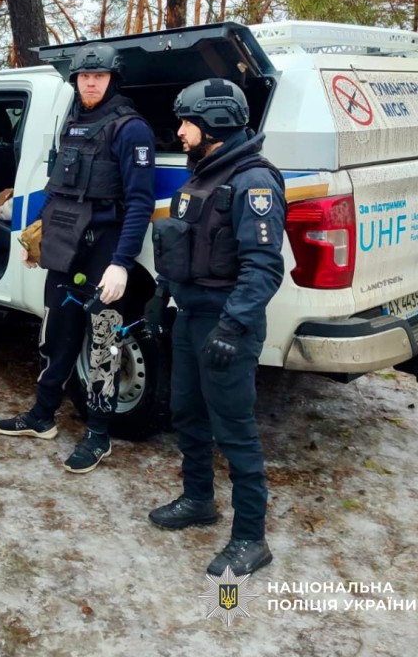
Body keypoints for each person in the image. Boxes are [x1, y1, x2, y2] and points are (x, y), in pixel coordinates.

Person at [0, 43, 156, 474]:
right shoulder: (75, 122)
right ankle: (42, 416)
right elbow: (58, 190)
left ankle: (98, 436)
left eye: (98, 76)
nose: (89, 82)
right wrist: (38, 239)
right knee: (57, 334)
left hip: (105, 249)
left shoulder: (130, 129)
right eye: (84, 77)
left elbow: (139, 203)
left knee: (103, 343)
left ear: (112, 79)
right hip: (66, 248)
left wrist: (122, 261)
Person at [148, 78, 286, 576]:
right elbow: (188, 245)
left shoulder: (253, 184)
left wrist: (232, 327)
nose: (180, 131)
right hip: (191, 317)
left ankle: (251, 537)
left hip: (227, 323)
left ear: (217, 125)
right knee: (186, 413)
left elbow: (264, 268)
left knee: (235, 430)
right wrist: (162, 297)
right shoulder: (205, 172)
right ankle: (198, 500)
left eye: (188, 122)